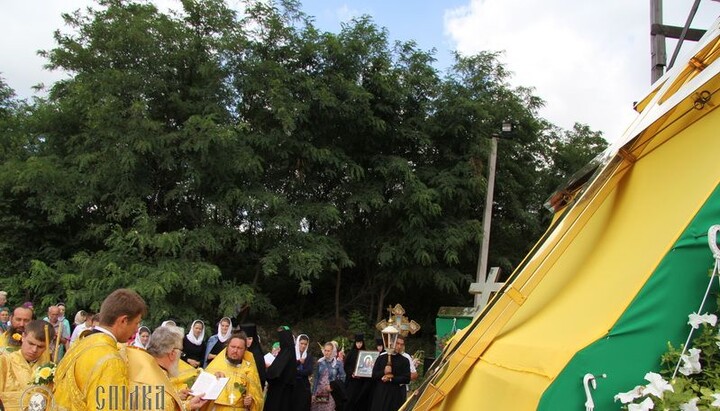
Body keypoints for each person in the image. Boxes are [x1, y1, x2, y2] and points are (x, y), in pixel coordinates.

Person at [53, 288, 147, 411]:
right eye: (136, 323)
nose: (136, 330)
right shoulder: (111, 360)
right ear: (123, 321)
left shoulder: (80, 344)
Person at [126, 325, 207, 411]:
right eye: (181, 353)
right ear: (172, 353)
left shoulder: (142, 367)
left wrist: (186, 405)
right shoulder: (159, 390)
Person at [0, 320, 55, 411]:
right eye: (31, 343)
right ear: (23, 337)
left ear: (48, 345)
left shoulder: (51, 368)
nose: (34, 350)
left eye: (40, 347)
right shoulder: (4, 361)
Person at [204, 332, 264, 411]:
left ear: (245, 350)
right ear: (227, 347)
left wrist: (250, 402)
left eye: (239, 348)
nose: (235, 350)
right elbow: (201, 392)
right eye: (233, 347)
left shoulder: (249, 369)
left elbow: (257, 398)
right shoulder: (216, 366)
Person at [369, 343, 410, 411]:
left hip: (395, 394)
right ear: (392, 343)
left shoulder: (404, 360)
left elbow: (407, 379)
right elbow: (374, 375)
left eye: (401, 344)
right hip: (381, 393)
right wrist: (383, 372)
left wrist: (392, 379)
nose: (399, 346)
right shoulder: (381, 358)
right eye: (397, 344)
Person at [264, 326, 296, 411]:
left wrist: (268, 370)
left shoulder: (285, 354)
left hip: (279, 392)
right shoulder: (291, 353)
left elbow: (275, 373)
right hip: (286, 392)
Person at [312, 342, 346, 411]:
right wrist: (313, 393)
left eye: (328, 351)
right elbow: (316, 379)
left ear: (332, 351)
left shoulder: (338, 363)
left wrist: (332, 386)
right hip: (320, 392)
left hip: (332, 393)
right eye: (325, 350)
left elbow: (343, 377)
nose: (326, 353)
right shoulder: (320, 362)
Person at [344, 334, 372, 411]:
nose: (359, 344)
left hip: (362, 382)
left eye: (360, 343)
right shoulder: (351, 353)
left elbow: (368, 367)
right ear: (355, 343)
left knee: (360, 401)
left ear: (363, 343)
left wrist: (364, 373)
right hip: (352, 382)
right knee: (349, 400)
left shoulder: (366, 353)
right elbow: (346, 366)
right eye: (357, 343)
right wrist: (351, 373)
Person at [239, 323, 267, 388]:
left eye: (249, 339)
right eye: (245, 338)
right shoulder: (237, 350)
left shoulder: (257, 354)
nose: (247, 341)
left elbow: (260, 375)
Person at [292, 334, 315, 411]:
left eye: (305, 344)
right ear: (297, 343)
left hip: (304, 386)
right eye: (301, 343)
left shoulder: (308, 356)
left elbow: (309, 371)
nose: (303, 346)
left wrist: (297, 371)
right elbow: (290, 370)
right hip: (293, 385)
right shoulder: (292, 355)